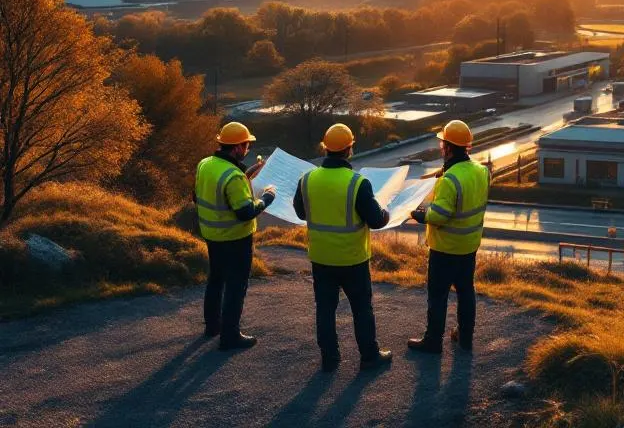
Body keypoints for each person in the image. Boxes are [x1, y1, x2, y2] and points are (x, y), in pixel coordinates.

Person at [292, 123, 393, 373]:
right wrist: (387, 212)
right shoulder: (358, 183)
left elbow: (301, 212)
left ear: (325, 148)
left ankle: (330, 358)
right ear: (350, 149)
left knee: (325, 309)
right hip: (352, 258)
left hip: (321, 256)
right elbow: (376, 220)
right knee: (361, 308)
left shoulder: (307, 179)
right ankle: (369, 356)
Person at [407, 120, 489, 355]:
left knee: (438, 296)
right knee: (465, 292)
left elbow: (440, 215)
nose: (441, 148)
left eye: (443, 144)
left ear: (449, 148)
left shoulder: (449, 180)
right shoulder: (481, 171)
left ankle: (433, 342)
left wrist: (419, 215)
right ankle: (465, 336)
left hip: (445, 249)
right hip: (469, 245)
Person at [194, 121, 275, 351]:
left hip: (212, 234)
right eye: (246, 144)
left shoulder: (205, 164)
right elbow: (246, 212)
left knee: (216, 280)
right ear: (238, 147)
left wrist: (247, 173)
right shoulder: (233, 176)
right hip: (235, 238)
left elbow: (198, 195)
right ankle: (230, 336)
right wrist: (267, 197)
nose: (248, 149)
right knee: (236, 286)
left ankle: (213, 326)